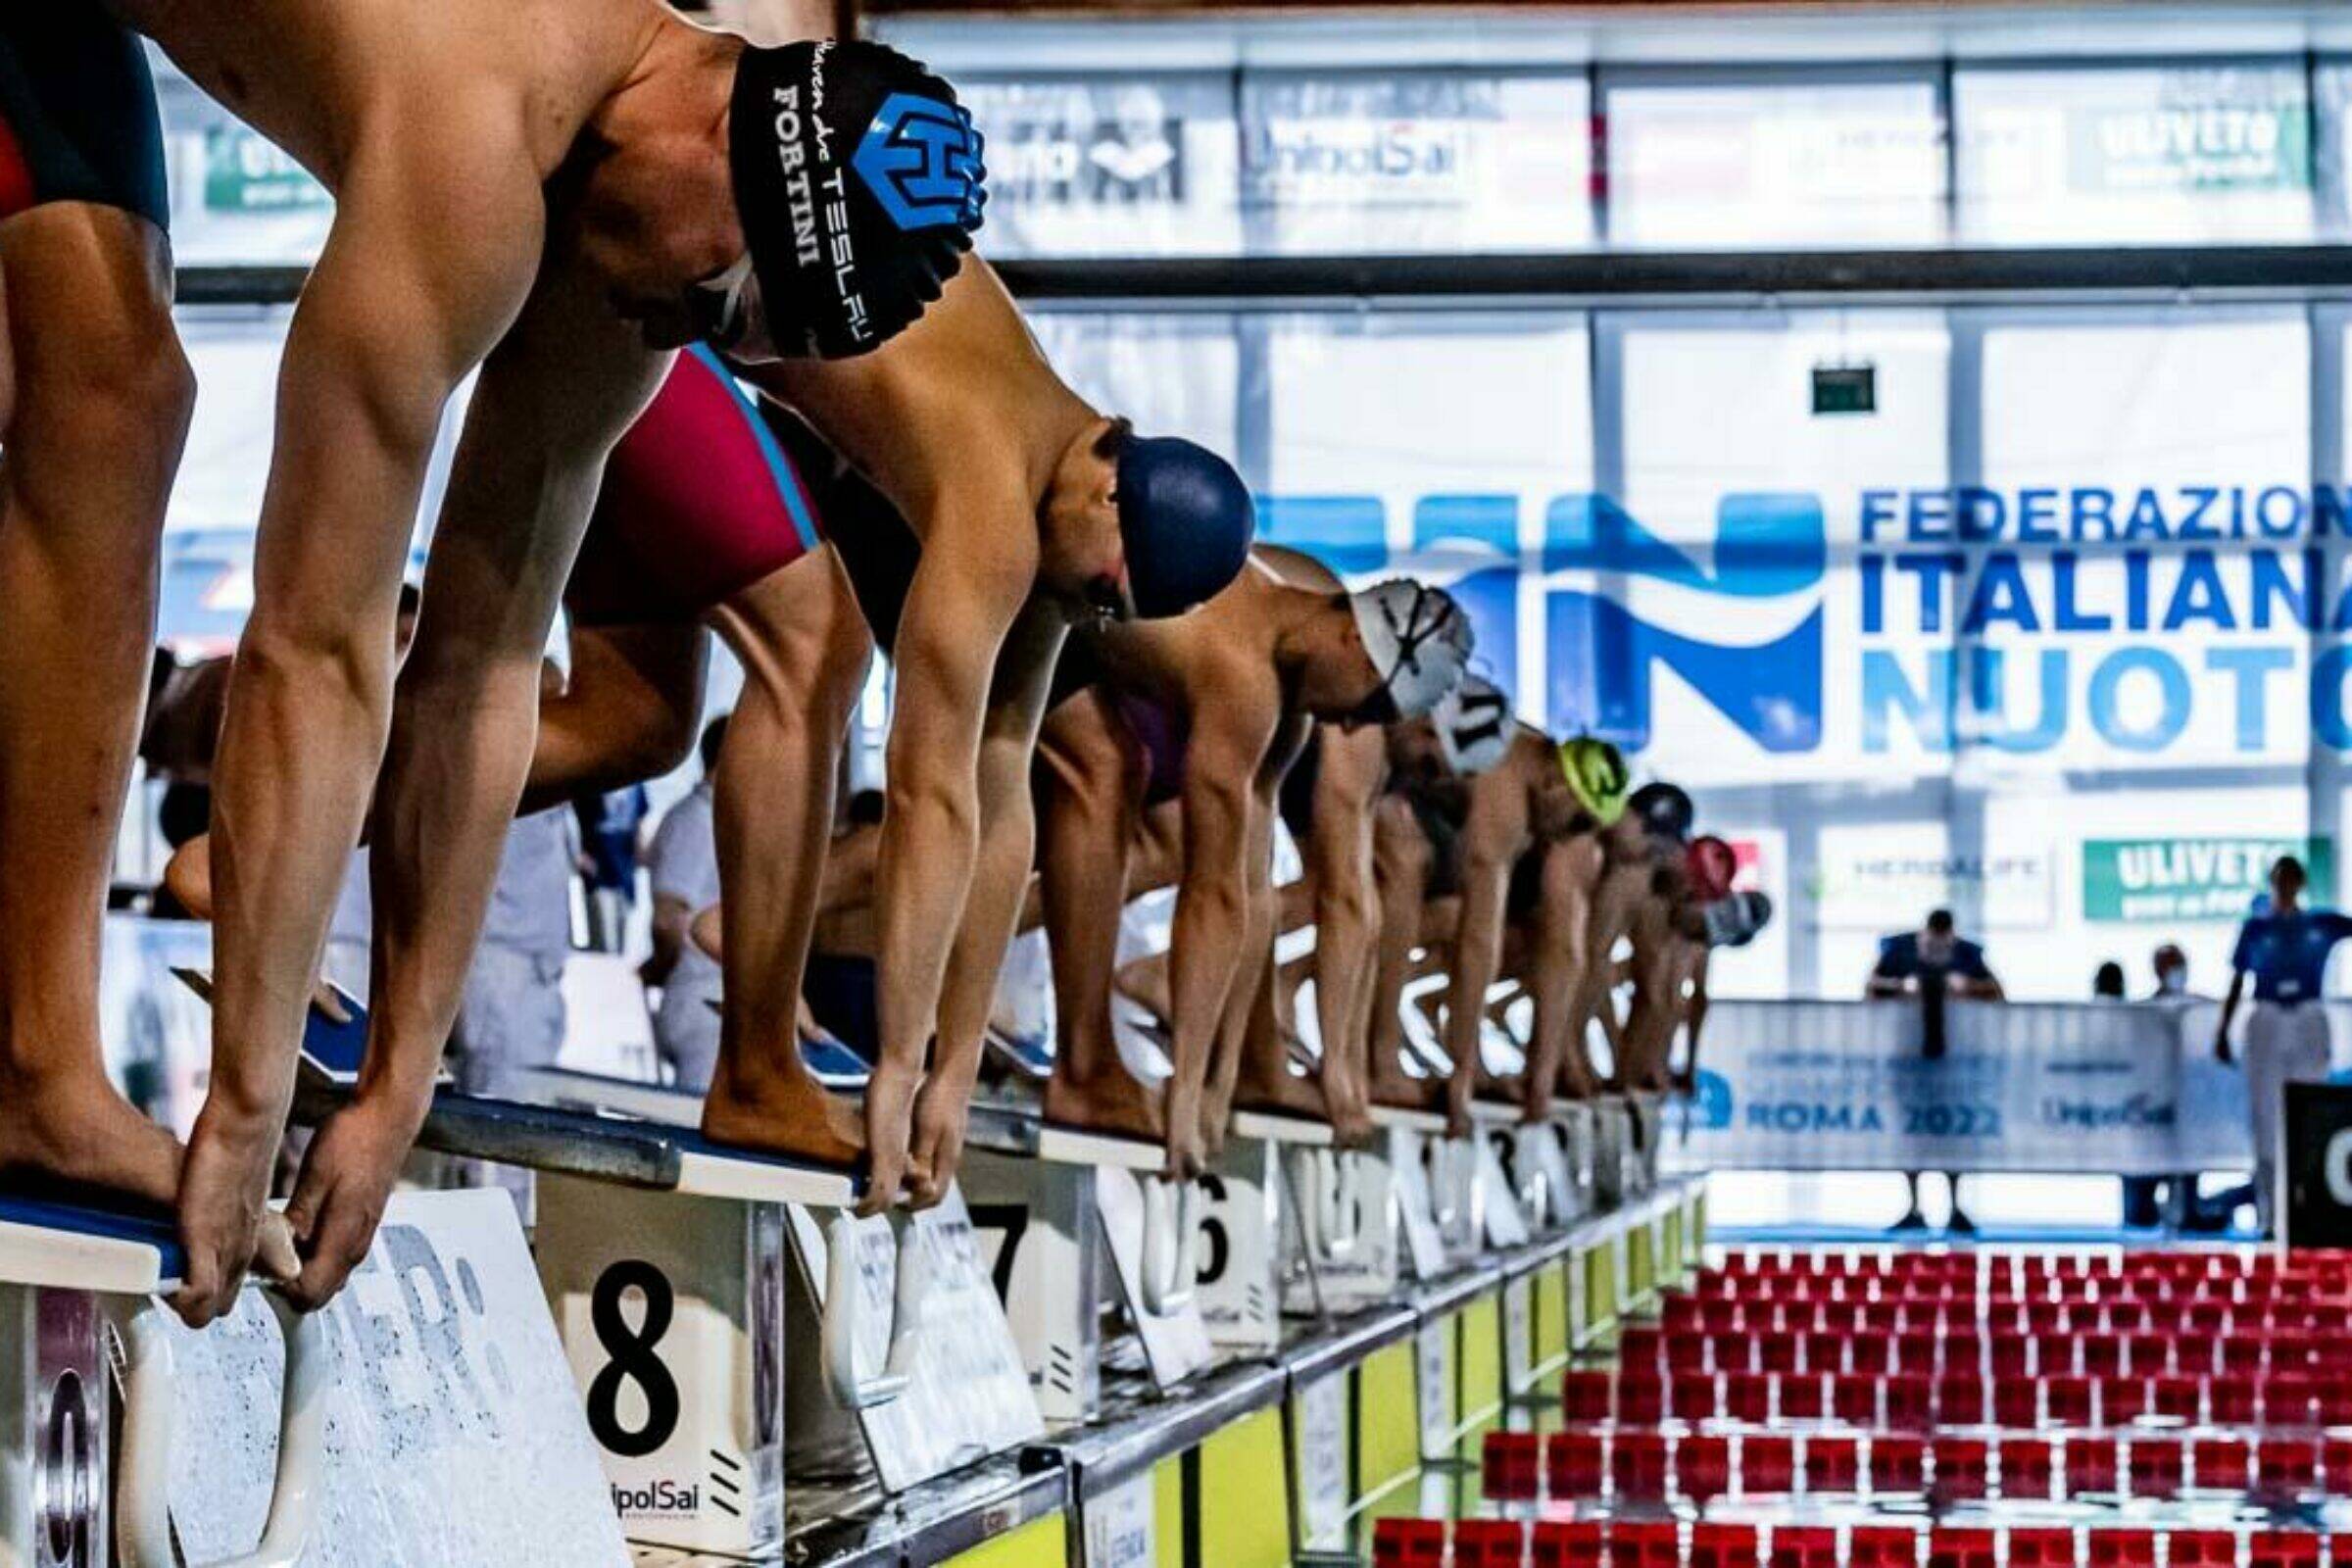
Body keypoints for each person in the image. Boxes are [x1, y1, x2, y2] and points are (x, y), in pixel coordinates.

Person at [39, 3, 986, 1324]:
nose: (684, 322)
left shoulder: (627, 287)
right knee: (105, 398)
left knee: (113, 396)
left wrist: (395, 1088)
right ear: (718, 121)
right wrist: (248, 1102)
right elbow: (315, 647)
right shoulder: (474, 131)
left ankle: (35, 1073)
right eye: (721, 291)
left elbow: (481, 672)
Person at [1032, 554, 1471, 1174]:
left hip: (1085, 633)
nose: (1350, 726)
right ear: (1357, 642)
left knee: (1118, 784)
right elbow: (1222, 897)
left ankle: (1092, 1060)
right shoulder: (1248, 675)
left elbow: (1249, 891)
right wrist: (1189, 1096)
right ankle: (1067, 1063)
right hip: (1036, 590)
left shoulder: (1290, 698)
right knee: (1102, 777)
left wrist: (1217, 1079)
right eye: (1371, 709)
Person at [2215, 856, 2352, 1236]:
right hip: (2267, 1017)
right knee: (2265, 1118)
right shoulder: (2256, 928)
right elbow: (2237, 980)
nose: (2286, 886)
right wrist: (2222, 1029)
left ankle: (2308, 1209)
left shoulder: (2321, 924)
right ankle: (2268, 1214)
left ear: (2301, 883)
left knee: (2311, 1112)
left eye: (2292, 879)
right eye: (2280, 879)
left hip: (2308, 1017)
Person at [1869, 908, 2003, 1235]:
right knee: (1910, 1135)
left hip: (1952, 1061)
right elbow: (1870, 988)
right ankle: (1913, 1206)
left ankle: (1955, 1205)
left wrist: (1968, 987)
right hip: (1908, 1058)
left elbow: (1998, 993)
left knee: (1952, 1135)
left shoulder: (1968, 955)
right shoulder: (1897, 951)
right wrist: (1902, 987)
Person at [643, 718, 731, 1092]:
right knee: (701, 1129)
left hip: (716, 1000)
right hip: (704, 1003)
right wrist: (662, 968)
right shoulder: (695, 821)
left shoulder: (724, 820)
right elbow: (668, 919)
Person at [573, 785, 651, 953]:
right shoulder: (593, 782)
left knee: (623, 922)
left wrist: (641, 850)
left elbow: (638, 820)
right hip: (598, 863)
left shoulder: (637, 785)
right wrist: (579, 854)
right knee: (602, 930)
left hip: (624, 863)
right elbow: (575, 816)